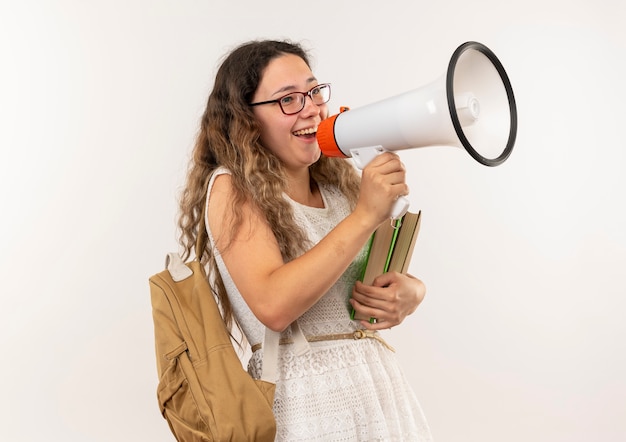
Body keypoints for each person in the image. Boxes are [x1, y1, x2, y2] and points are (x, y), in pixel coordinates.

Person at [178, 39, 433, 441]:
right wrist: (367, 215)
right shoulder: (232, 188)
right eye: (288, 100)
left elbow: (364, 282)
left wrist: (412, 292)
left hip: (377, 392)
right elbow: (273, 305)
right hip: (306, 404)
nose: (312, 107)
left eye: (314, 92)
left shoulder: (340, 188)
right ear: (246, 119)